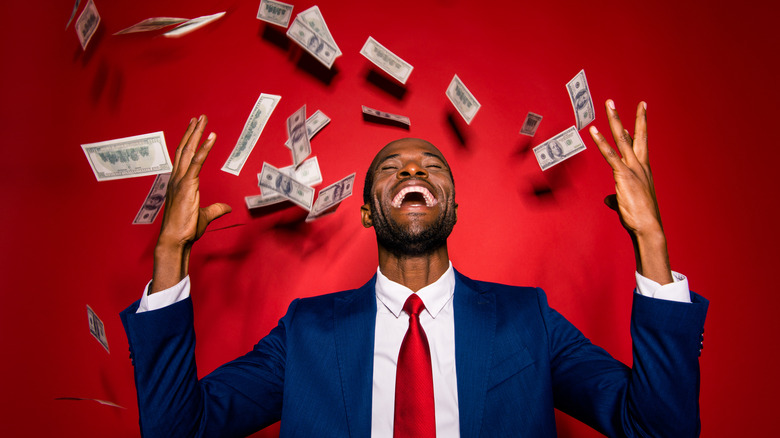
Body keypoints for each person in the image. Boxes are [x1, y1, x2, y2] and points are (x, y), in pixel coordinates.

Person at [121, 100, 708, 437]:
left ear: (452, 205)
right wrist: (170, 253)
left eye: (431, 167)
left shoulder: (527, 320)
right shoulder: (306, 332)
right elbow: (180, 431)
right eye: (392, 169)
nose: (412, 173)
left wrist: (651, 242)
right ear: (366, 213)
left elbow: (656, 429)